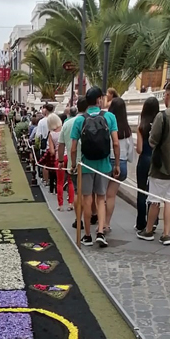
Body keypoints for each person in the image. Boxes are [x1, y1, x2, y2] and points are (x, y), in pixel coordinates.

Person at [137, 80, 170, 245]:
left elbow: (152, 141)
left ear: (167, 95)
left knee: (154, 200)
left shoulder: (163, 116)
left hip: (161, 166)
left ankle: (148, 230)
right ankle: (166, 234)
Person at [71, 86, 120, 248]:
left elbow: (73, 148)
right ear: (99, 99)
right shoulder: (110, 117)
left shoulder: (79, 120)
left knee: (87, 200)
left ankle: (87, 235)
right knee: (101, 198)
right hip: (104, 164)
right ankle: (100, 232)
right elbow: (116, 143)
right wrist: (116, 164)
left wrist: (73, 165)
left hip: (86, 165)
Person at [105, 97, 133, 232]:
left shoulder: (107, 126)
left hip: (106, 161)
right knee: (111, 196)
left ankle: (99, 220)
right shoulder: (127, 130)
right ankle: (106, 223)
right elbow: (130, 152)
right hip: (121, 163)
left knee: (101, 194)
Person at [59, 99, 87, 228]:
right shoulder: (92, 120)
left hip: (74, 163)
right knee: (92, 193)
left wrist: (61, 161)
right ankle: (93, 218)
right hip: (90, 163)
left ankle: (79, 219)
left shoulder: (67, 123)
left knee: (77, 192)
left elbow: (62, 145)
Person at [135, 97, 160, 232]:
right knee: (154, 192)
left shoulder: (141, 127)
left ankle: (141, 222)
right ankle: (154, 221)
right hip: (156, 160)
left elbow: (139, 149)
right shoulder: (160, 125)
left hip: (144, 159)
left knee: (142, 191)